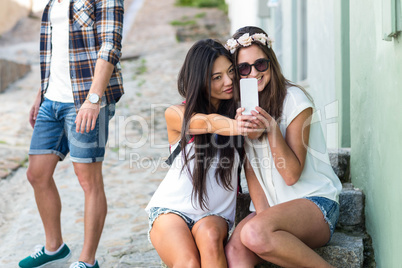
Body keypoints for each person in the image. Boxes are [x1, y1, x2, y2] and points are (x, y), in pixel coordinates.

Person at [224, 26, 342, 268]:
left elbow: (291, 175)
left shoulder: (295, 100)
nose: (253, 73)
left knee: (254, 233)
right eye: (244, 68)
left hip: (316, 204)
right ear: (235, 73)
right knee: (236, 250)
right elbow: (251, 170)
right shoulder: (241, 111)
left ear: (271, 63)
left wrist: (271, 130)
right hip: (277, 213)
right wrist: (266, 218)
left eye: (260, 64)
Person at [18, 0, 124, 267]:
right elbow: (55, 50)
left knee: (88, 181)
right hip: (51, 100)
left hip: (85, 101)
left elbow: (110, 46)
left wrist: (94, 98)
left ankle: (87, 261)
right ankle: (54, 248)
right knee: (37, 175)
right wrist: (40, 95)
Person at [145, 39, 246, 268]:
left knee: (210, 239)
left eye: (231, 72)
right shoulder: (177, 113)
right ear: (200, 81)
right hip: (171, 210)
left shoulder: (240, 110)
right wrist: (240, 126)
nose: (228, 81)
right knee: (189, 264)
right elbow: (208, 122)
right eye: (216, 77)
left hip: (215, 215)